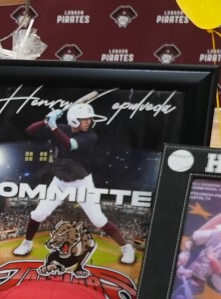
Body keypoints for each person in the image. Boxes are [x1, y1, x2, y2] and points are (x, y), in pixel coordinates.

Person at [12, 101, 136, 264]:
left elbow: (69, 145)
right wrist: (45, 120)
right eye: (85, 119)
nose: (89, 122)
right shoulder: (60, 128)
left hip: (82, 183)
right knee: (38, 214)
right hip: (60, 181)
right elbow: (30, 130)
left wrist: (53, 126)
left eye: (89, 119)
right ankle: (27, 243)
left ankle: (127, 248)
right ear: (74, 120)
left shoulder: (90, 136)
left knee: (98, 219)